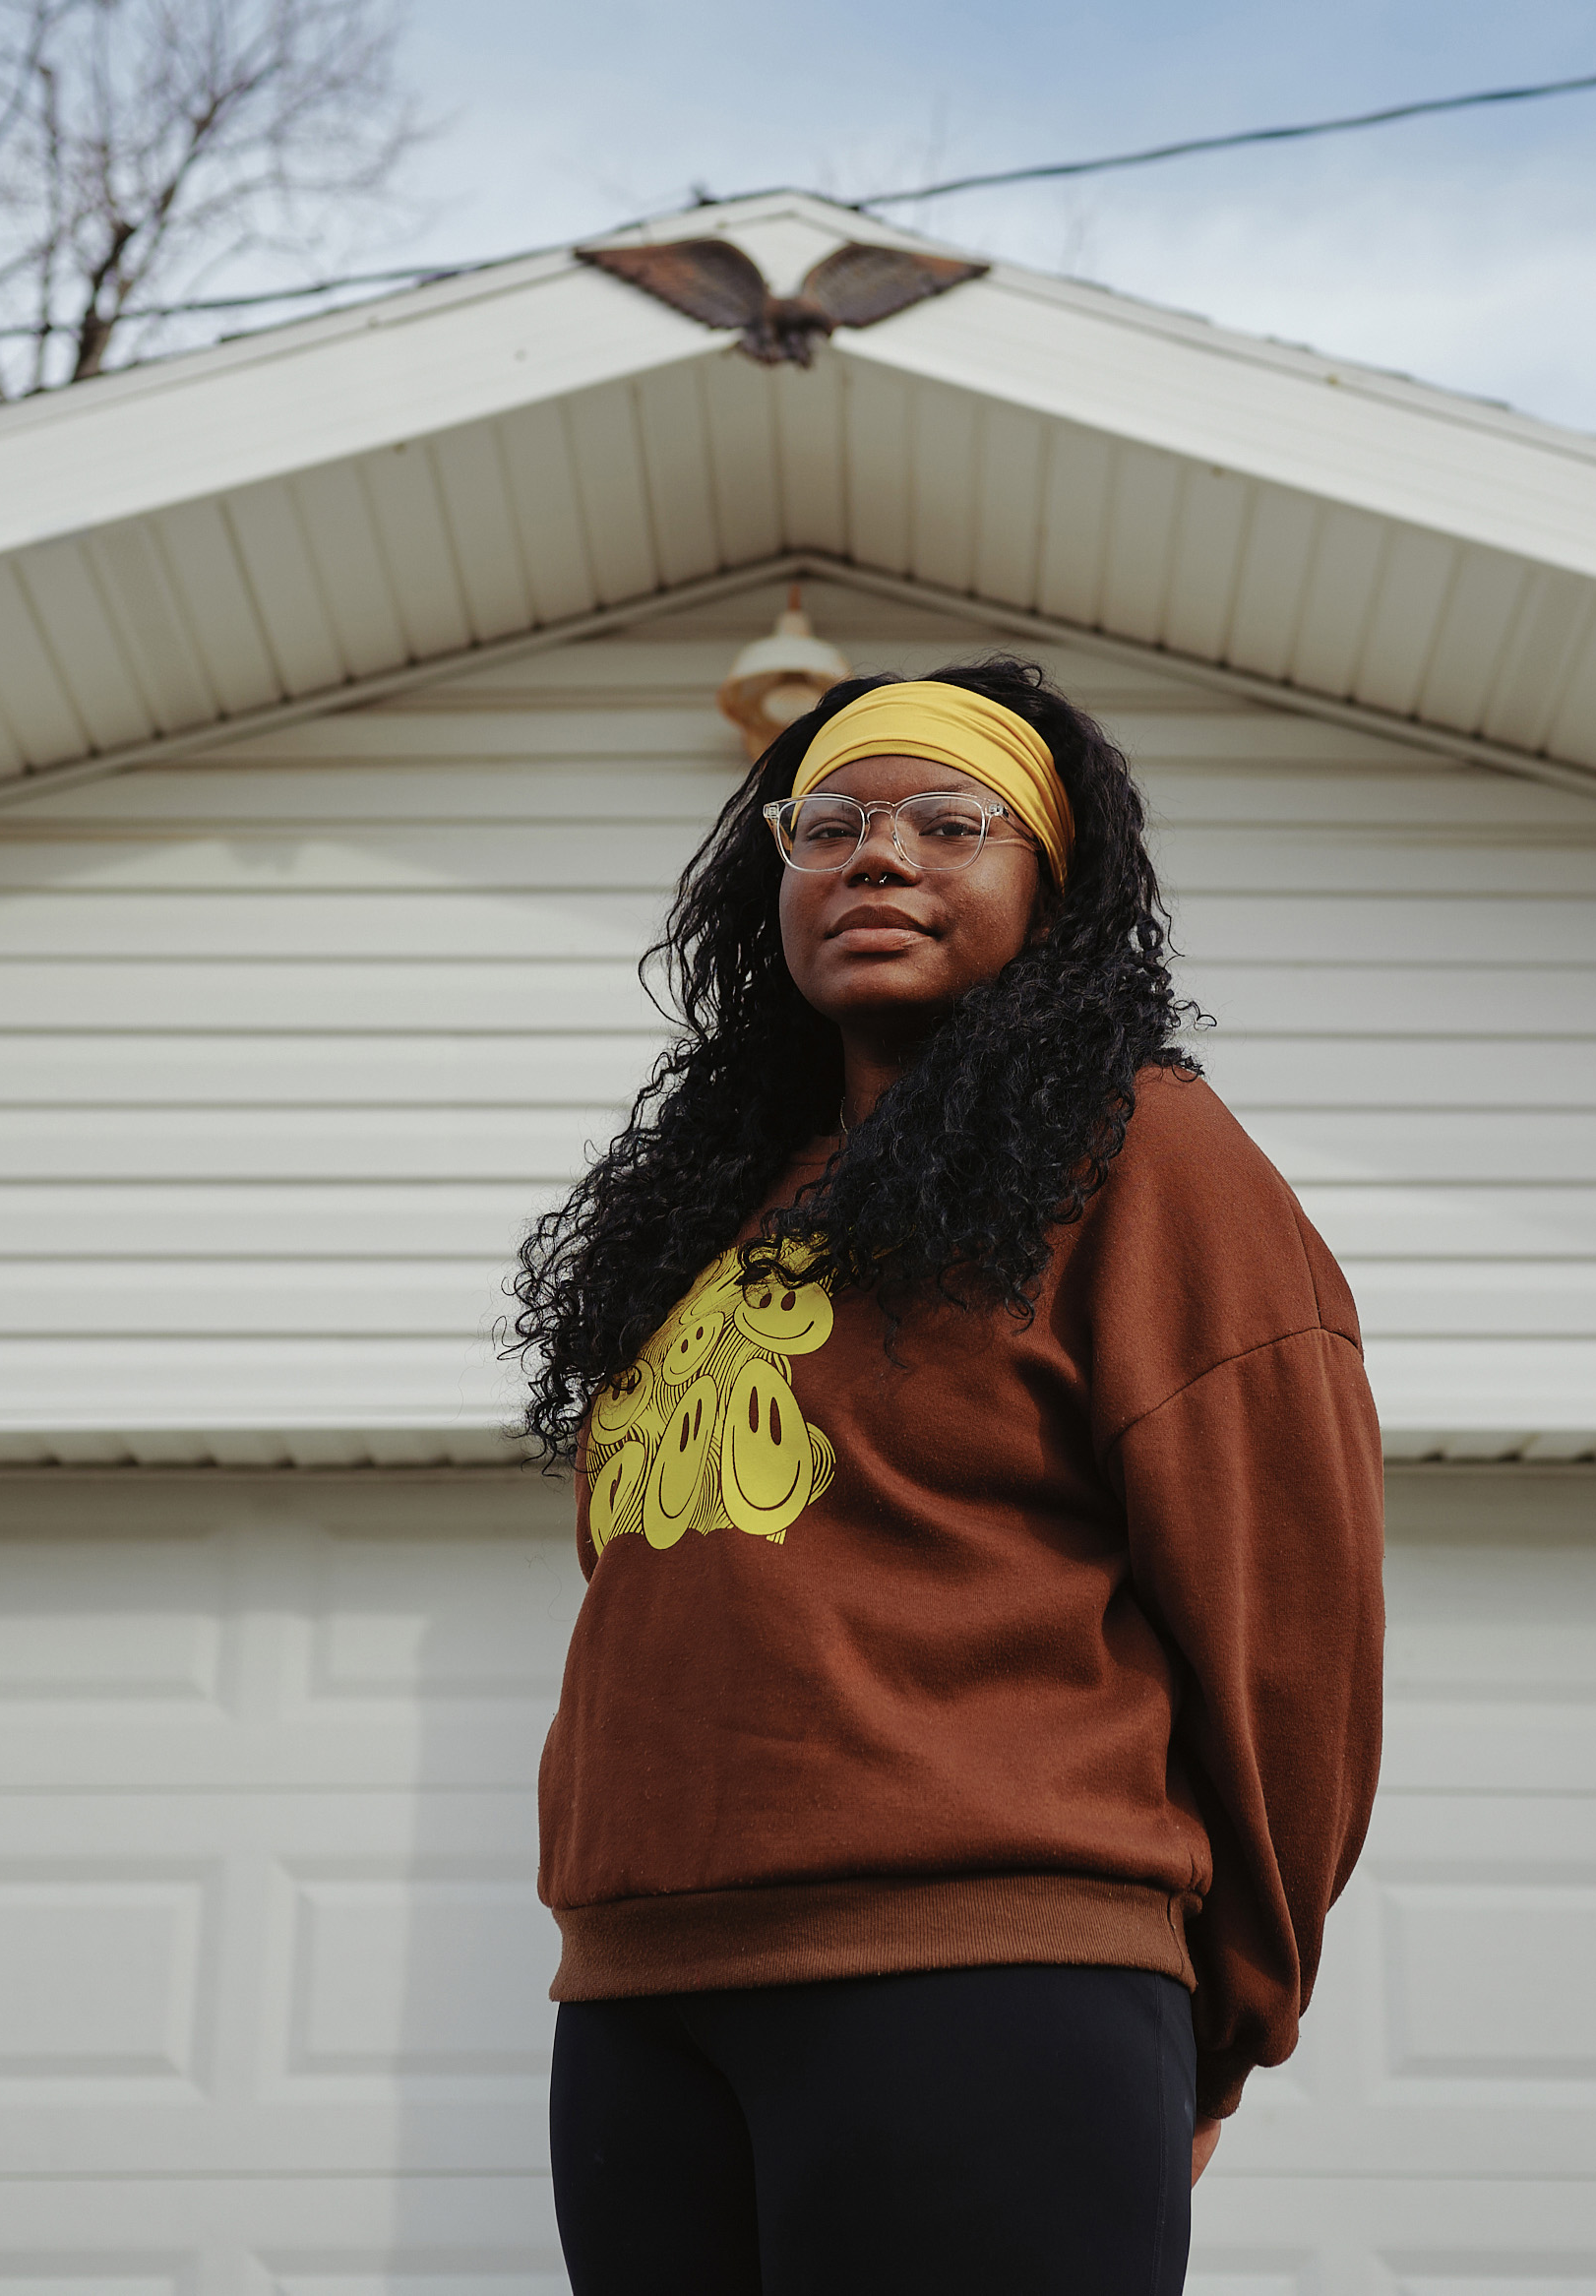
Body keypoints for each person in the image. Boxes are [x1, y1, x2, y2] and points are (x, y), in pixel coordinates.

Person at [511, 656, 1384, 2296]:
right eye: (827, 826)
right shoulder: (717, 1205)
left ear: (1050, 880)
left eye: (947, 822)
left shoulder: (1140, 1151)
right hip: (641, 1999)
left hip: (984, 1972)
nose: (879, 858)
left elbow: (1290, 1624)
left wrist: (1230, 2009)